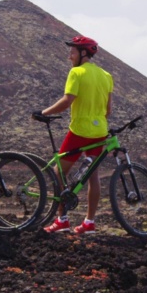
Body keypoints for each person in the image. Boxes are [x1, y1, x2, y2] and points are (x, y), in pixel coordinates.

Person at [38, 35, 113, 235]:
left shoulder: (76, 73)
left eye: (72, 52)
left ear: (83, 53)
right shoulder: (106, 75)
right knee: (92, 176)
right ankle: (89, 222)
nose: (69, 56)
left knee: (58, 172)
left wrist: (43, 112)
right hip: (99, 132)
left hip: (79, 131)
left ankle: (62, 219)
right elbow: (108, 111)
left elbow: (67, 101)